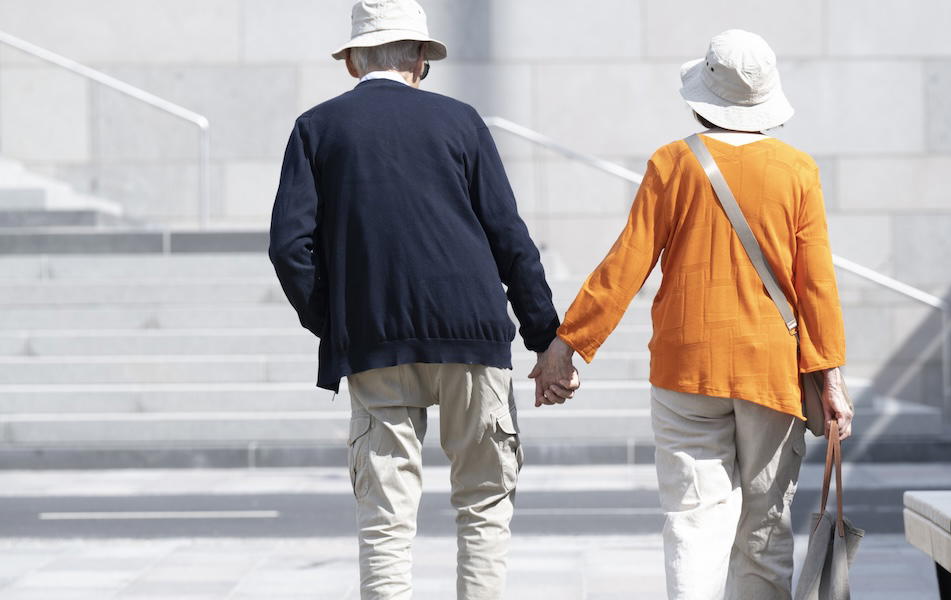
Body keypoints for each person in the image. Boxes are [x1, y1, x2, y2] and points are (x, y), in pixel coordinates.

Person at [268, 1, 574, 598]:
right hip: (473, 334)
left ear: (354, 62)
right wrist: (547, 340)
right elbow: (509, 236)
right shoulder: (461, 122)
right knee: (484, 504)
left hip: (373, 342)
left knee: (385, 520)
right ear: (419, 59)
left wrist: (335, 323)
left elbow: (289, 248)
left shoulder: (316, 128)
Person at [536, 29, 854, 600]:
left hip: (686, 368)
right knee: (764, 529)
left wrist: (569, 345)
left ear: (703, 95)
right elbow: (818, 286)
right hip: (770, 373)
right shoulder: (797, 170)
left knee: (692, 521)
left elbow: (626, 263)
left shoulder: (672, 163)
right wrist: (830, 378)